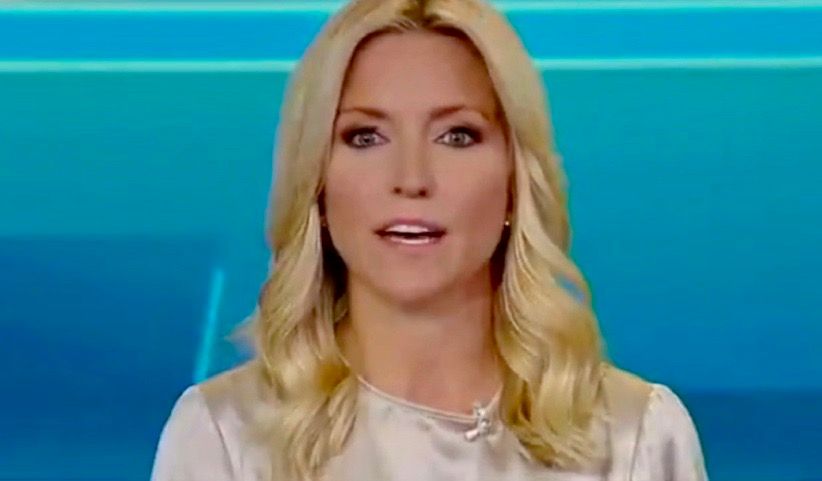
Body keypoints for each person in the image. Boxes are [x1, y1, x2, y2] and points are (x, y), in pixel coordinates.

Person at [150, 0, 709, 480]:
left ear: (515, 181)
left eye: (456, 136)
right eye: (365, 137)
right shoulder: (226, 435)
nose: (412, 178)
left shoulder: (633, 438)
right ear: (316, 181)